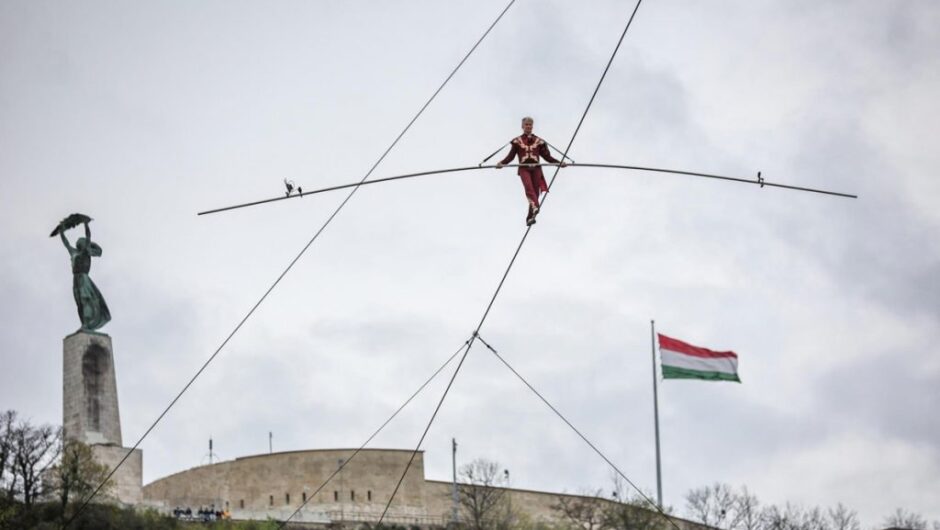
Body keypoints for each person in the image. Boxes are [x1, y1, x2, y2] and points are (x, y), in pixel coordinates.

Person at [496, 116, 566, 225]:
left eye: (530, 125)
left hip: (536, 168)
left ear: (532, 126)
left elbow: (547, 157)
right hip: (524, 168)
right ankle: (535, 207)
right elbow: (510, 157)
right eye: (526, 124)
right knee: (529, 188)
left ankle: (530, 218)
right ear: (522, 126)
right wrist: (502, 163)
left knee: (535, 193)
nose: (528, 126)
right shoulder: (517, 141)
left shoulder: (538, 141)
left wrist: (559, 163)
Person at [59, 221, 111, 331]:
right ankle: (84, 323)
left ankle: (87, 323)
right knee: (79, 303)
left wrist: (86, 225)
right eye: (78, 242)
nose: (78, 243)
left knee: (85, 300)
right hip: (76, 279)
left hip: (83, 278)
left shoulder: (86, 252)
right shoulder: (74, 252)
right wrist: (61, 231)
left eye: (80, 242)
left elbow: (88, 237)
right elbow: (66, 243)